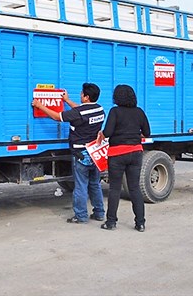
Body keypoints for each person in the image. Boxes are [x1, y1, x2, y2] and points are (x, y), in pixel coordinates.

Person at [32, 83, 106, 224]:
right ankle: (99, 213)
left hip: (80, 154)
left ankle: (81, 216)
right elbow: (81, 111)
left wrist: (39, 105)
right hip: (94, 154)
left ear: (86, 97)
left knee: (81, 186)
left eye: (81, 93)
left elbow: (57, 117)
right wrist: (67, 101)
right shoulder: (100, 110)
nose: (80, 95)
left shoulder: (79, 113)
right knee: (95, 184)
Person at [96, 84, 150, 232]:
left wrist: (103, 134)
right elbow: (147, 132)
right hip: (135, 152)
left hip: (117, 154)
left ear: (117, 97)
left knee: (114, 189)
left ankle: (111, 222)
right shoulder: (139, 112)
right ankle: (140, 223)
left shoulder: (115, 111)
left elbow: (107, 133)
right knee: (134, 189)